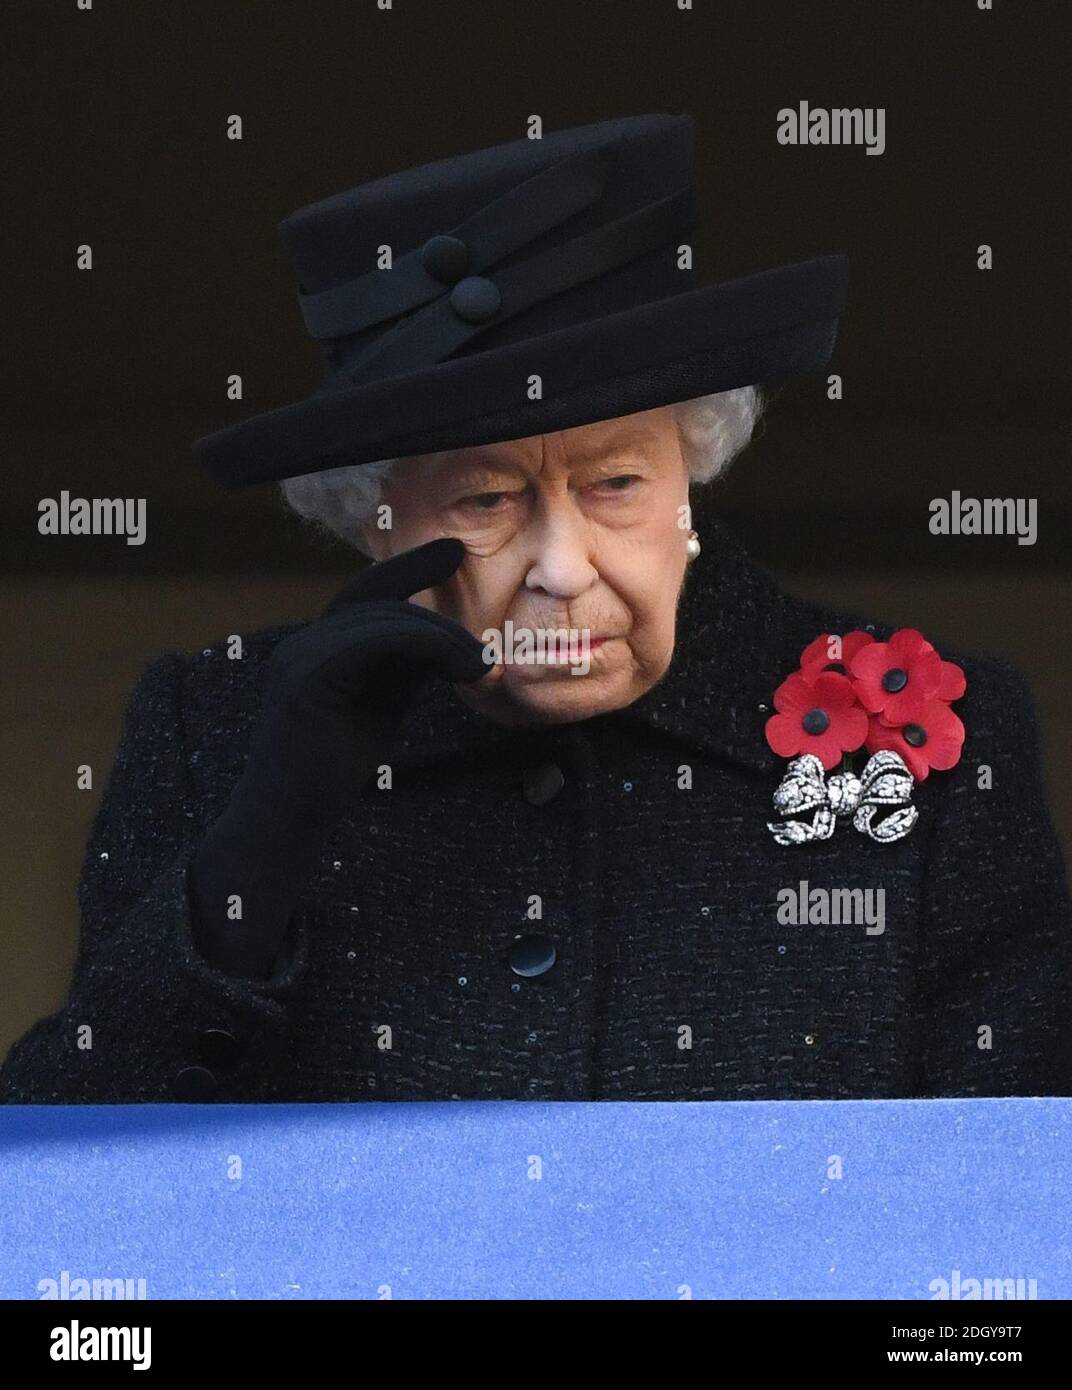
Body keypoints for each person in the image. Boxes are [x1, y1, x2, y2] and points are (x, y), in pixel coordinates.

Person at [4, 113, 1069, 1103]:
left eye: (615, 484)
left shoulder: (931, 736)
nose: (563, 566)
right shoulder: (214, 732)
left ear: (691, 470)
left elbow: (1014, 1213)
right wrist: (259, 848)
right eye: (486, 499)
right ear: (374, 516)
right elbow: (66, 1175)